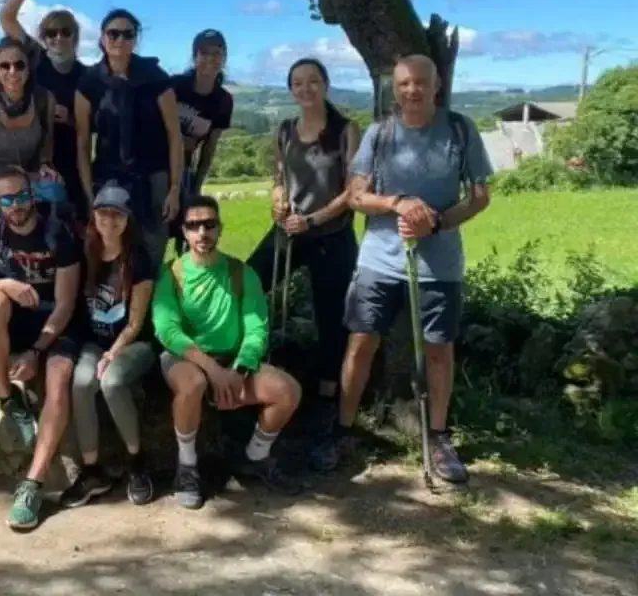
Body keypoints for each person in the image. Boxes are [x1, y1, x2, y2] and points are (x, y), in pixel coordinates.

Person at [310, 54, 492, 484]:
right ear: (396, 88)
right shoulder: (380, 132)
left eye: (420, 83)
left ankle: (439, 437)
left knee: (439, 350)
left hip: (440, 261)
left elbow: (480, 196)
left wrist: (438, 222)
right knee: (361, 343)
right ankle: (344, 430)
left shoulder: (460, 130)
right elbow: (356, 197)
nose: (412, 91)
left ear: (436, 86)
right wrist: (398, 204)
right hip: (379, 259)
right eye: (404, 84)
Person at [152, 195, 304, 509]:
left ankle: (255, 457)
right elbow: (168, 332)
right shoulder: (172, 275)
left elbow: (256, 327)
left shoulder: (240, 273)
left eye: (209, 224)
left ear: (220, 229)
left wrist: (240, 370)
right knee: (192, 385)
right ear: (184, 232)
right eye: (194, 225)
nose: (202, 233)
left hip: (232, 359)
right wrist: (213, 370)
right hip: (187, 358)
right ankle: (187, 466)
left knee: (287, 390)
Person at [0, 166, 81, 531]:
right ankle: (7, 398)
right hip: (14, 321)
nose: (17, 205)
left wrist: (37, 351)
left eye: (22, 196)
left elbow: (65, 304)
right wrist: (6, 283)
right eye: (8, 199)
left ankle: (33, 483)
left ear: (34, 196)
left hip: (56, 326)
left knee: (59, 380)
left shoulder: (59, 234)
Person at [246, 58, 360, 430]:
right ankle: (248, 364)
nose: (305, 89)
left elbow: (353, 191)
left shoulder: (346, 131)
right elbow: (279, 176)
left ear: (326, 85)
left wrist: (313, 219)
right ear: (291, 89)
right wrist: (277, 198)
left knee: (331, 317)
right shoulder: (284, 130)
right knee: (247, 281)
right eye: (298, 83)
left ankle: (327, 402)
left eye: (313, 81)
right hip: (291, 229)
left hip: (331, 235)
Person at [62, 182, 156, 509]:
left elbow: (135, 322)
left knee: (112, 381)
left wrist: (113, 354)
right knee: (82, 382)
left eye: (118, 215)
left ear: (128, 219)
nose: (110, 221)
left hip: (134, 345)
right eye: (103, 214)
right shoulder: (85, 251)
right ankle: (92, 471)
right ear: (94, 216)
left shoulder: (138, 259)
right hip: (93, 341)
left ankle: (136, 462)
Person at [75, 9, 182, 267]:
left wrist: (175, 187)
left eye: (127, 34)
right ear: (102, 38)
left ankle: (151, 305)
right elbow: (82, 143)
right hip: (110, 177)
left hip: (153, 177)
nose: (120, 40)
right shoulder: (90, 82)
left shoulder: (156, 77)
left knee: (153, 249)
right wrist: (90, 193)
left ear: (135, 39)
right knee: (112, 252)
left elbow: (174, 136)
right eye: (113, 33)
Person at [0, 0, 88, 220]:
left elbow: (96, 127)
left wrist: (70, 118)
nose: (58, 37)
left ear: (75, 36)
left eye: (65, 31)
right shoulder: (35, 58)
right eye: (50, 33)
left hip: (72, 162)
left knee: (72, 227)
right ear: (43, 38)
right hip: (31, 162)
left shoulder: (89, 76)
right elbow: (6, 17)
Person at [0, 38, 57, 219]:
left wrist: (45, 164)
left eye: (19, 65)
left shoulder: (44, 99)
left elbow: (47, 141)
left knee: (57, 192)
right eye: (4, 66)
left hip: (29, 182)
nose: (12, 71)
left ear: (29, 69)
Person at [171, 30, 234, 252]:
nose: (210, 58)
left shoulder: (223, 100)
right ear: (194, 56)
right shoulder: (175, 86)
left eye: (217, 53)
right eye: (203, 52)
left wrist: (197, 185)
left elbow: (210, 147)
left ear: (224, 57)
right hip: (157, 167)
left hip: (185, 170)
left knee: (188, 236)